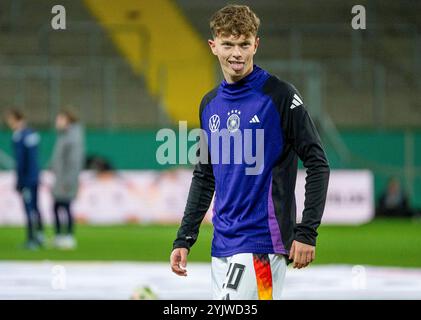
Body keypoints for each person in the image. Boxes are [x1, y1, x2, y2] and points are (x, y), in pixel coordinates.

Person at [170, 5, 330, 300]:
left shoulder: (279, 95)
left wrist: (307, 231)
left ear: (256, 44)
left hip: (261, 243)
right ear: (213, 45)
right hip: (221, 246)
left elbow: (317, 163)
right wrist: (185, 238)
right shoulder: (209, 104)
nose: (237, 54)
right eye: (228, 44)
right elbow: (205, 177)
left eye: (244, 44)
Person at [5, 109, 44, 250]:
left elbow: (21, 161)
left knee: (29, 208)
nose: (9, 123)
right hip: (34, 176)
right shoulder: (32, 134)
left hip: (27, 178)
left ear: (16, 119)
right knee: (35, 207)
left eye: (10, 120)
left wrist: (19, 181)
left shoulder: (19, 136)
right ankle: (40, 235)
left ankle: (32, 239)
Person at [50, 109, 84, 249]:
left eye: (60, 119)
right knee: (58, 207)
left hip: (66, 180)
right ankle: (60, 236)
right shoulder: (64, 135)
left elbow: (74, 161)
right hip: (60, 178)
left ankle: (68, 237)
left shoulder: (73, 137)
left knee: (65, 206)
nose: (57, 122)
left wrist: (69, 181)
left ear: (67, 120)